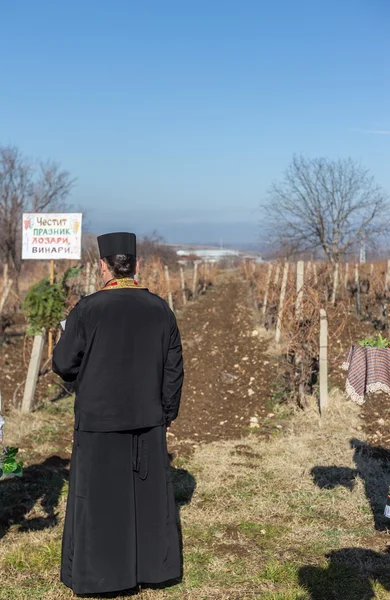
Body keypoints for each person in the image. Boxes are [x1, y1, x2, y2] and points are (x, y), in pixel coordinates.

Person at [52, 232, 184, 596]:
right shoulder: (160, 309)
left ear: (103, 266)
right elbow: (174, 368)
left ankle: (102, 577)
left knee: (98, 501)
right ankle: (151, 572)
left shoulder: (87, 309)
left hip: (98, 420)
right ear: (137, 265)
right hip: (148, 417)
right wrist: (167, 412)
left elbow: (63, 364)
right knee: (147, 500)